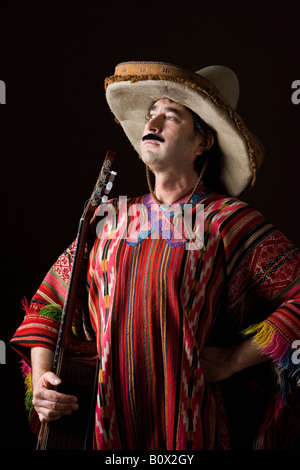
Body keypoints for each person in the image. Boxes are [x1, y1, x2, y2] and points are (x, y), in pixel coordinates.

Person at [10, 61, 300, 450]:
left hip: (191, 433)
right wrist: (45, 379)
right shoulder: (107, 221)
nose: (154, 122)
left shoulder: (230, 222)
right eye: (152, 113)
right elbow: (47, 306)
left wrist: (233, 360)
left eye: (172, 115)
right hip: (103, 433)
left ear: (203, 142)